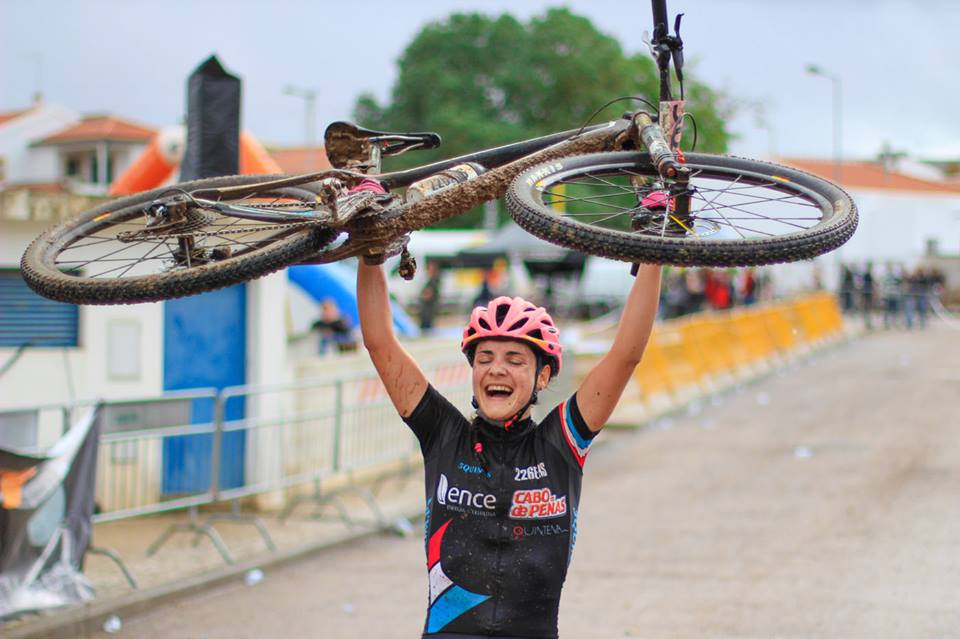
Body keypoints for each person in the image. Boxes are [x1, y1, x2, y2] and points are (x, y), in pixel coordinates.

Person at [357, 257, 661, 639]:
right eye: (485, 358)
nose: (496, 369)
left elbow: (625, 355)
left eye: (514, 360)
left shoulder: (559, 444)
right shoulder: (445, 437)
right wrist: (370, 254)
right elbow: (380, 342)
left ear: (543, 376)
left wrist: (652, 256)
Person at [418, 261, 443, 333]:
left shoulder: (433, 280)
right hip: (429, 307)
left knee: (426, 325)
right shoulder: (433, 279)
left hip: (429, 307)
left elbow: (429, 294)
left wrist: (423, 296)